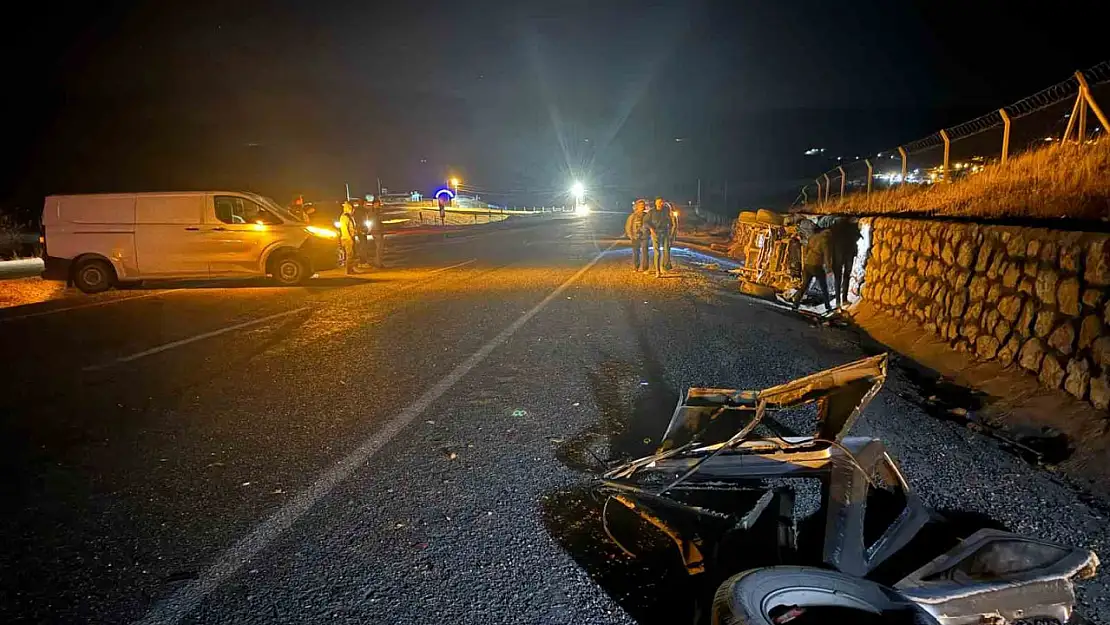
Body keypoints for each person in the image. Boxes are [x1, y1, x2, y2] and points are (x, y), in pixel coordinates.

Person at [792, 227, 833, 312]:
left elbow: (806, 249)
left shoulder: (813, 237)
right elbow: (826, 255)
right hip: (817, 265)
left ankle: (795, 303)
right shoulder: (825, 241)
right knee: (824, 287)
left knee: (804, 286)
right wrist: (829, 268)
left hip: (807, 264)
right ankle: (828, 307)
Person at [829, 218, 861, 308]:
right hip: (848, 254)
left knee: (837, 278)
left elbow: (830, 241)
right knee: (846, 276)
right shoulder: (851, 227)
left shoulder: (835, 228)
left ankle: (838, 302)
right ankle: (844, 299)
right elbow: (857, 237)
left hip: (837, 254)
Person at [645, 197, 672, 277]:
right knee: (657, 252)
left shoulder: (666, 210)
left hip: (665, 232)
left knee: (666, 250)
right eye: (659, 202)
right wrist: (651, 229)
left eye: (661, 202)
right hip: (655, 233)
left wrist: (670, 229)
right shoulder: (651, 212)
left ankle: (665, 267)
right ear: (656, 203)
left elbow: (669, 220)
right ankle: (657, 271)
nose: (660, 203)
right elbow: (645, 221)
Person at [624, 199, 649, 271]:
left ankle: (645, 268)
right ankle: (636, 267)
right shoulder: (632, 216)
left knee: (645, 252)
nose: (642, 206)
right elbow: (628, 226)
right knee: (636, 252)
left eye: (643, 205)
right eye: (640, 205)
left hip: (645, 236)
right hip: (635, 236)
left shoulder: (647, 215)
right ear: (637, 206)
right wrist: (630, 236)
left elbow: (651, 225)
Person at [338, 201, 359, 275]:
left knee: (352, 254)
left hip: (349, 237)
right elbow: (345, 229)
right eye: (351, 208)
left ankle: (351, 269)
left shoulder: (348, 216)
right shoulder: (345, 217)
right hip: (347, 238)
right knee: (349, 254)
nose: (353, 210)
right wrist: (349, 238)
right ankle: (349, 270)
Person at [367, 198, 385, 268]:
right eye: (378, 204)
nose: (379, 205)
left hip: (377, 230)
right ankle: (378, 263)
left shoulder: (373, 211)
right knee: (379, 248)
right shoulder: (374, 212)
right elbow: (376, 221)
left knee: (379, 248)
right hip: (377, 231)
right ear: (374, 204)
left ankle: (378, 262)